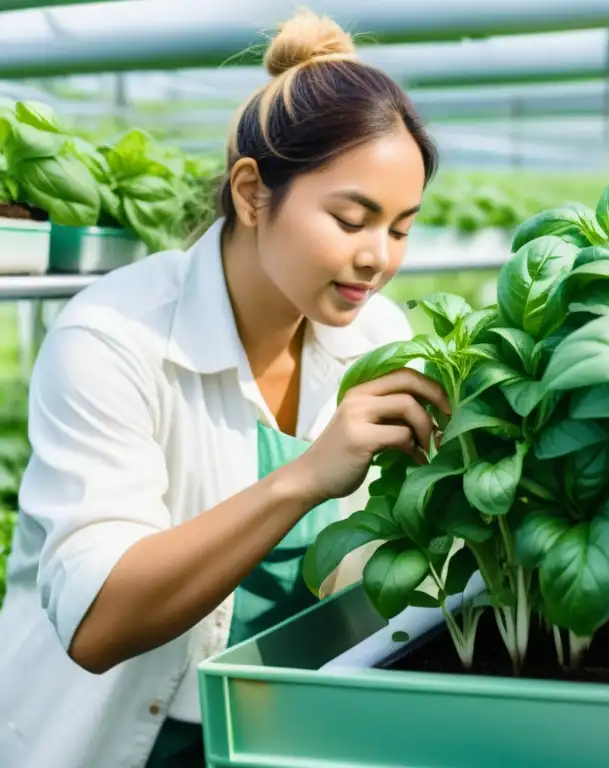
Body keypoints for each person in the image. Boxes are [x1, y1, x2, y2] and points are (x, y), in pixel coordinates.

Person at [0, 10, 449, 767]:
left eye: (402, 229)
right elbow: (99, 622)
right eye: (351, 218)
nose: (377, 257)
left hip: (294, 737)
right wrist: (303, 479)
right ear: (251, 192)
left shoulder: (380, 339)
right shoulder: (112, 336)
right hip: (119, 745)